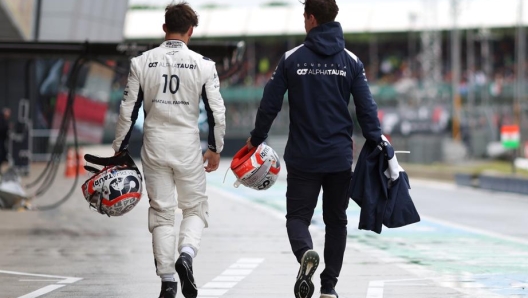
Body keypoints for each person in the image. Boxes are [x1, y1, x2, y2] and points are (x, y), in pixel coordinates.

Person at [246, 0, 382, 297]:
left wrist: (256, 139)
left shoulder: (292, 59)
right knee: (336, 222)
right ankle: (329, 288)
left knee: (297, 218)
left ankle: (305, 253)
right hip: (338, 158)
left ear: (310, 19)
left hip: (303, 157)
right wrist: (378, 141)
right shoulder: (351, 61)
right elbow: (366, 110)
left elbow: (270, 104)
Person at [111, 2, 226, 298]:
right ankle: (186, 254)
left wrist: (119, 151)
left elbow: (128, 111)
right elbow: (216, 111)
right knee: (195, 207)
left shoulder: (141, 63)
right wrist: (215, 148)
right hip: (187, 145)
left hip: (154, 145)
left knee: (162, 214)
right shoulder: (204, 65)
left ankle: (167, 282)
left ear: (164, 28)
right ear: (191, 31)